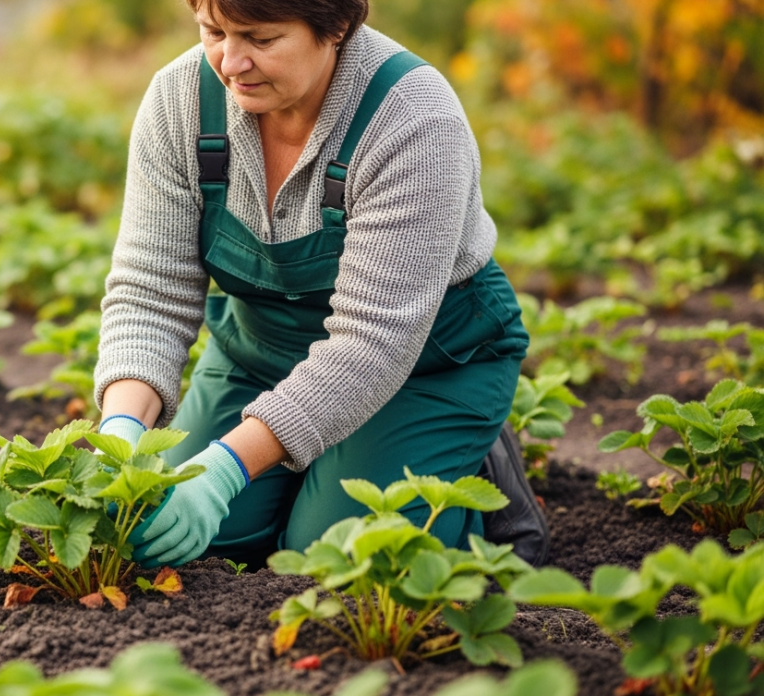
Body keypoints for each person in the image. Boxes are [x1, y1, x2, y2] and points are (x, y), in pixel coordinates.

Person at [91, 0, 546, 570]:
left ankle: (465, 466)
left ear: (336, 27)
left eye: (261, 39)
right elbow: (150, 291)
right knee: (172, 534)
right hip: (262, 352)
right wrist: (121, 434)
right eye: (214, 32)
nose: (230, 62)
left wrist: (225, 470)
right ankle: (310, 471)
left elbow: (371, 343)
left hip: (424, 362)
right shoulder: (181, 100)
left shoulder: (413, 118)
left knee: (335, 559)